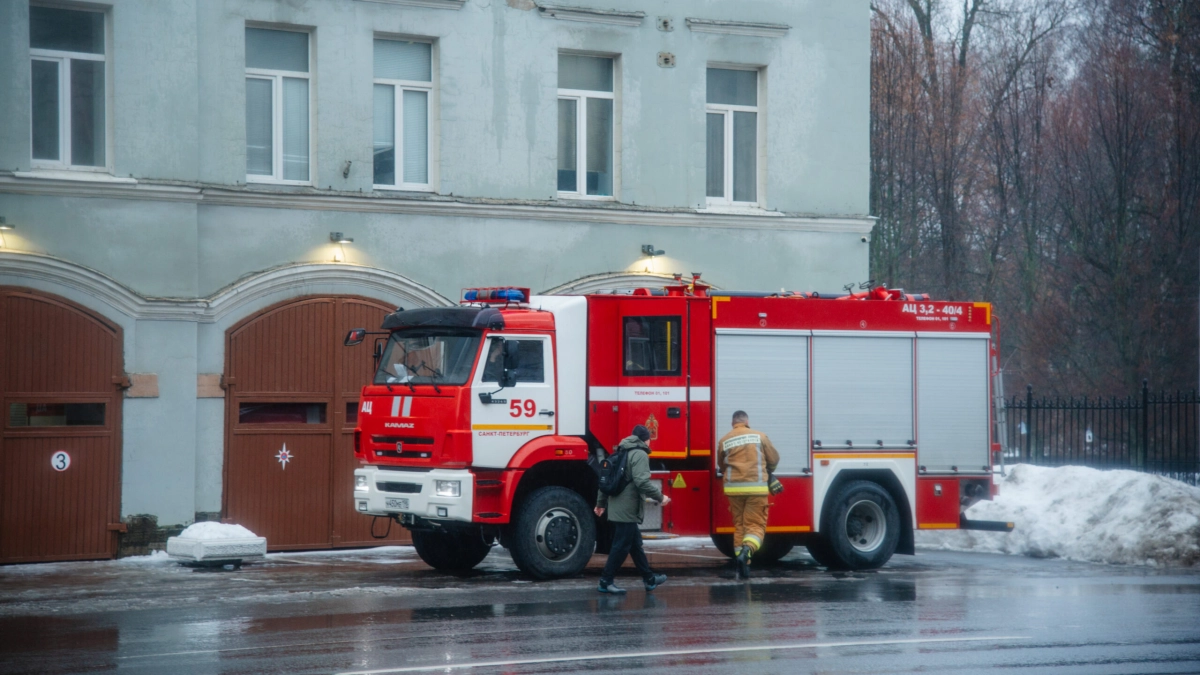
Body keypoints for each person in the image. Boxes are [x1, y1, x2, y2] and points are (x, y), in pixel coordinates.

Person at [594, 425, 671, 594]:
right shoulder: (640, 454)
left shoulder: (621, 452)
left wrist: (601, 504)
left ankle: (649, 579)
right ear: (646, 439)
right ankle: (606, 581)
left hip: (618, 508)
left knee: (635, 545)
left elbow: (605, 481)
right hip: (627, 510)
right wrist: (660, 497)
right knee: (621, 546)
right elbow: (642, 482)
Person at [717, 410, 780, 579]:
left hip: (733, 490)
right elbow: (773, 459)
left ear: (733, 423)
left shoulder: (724, 440)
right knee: (755, 527)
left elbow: (722, 466)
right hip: (756, 490)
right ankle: (747, 551)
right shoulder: (760, 436)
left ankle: (743, 565)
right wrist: (769, 472)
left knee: (740, 526)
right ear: (747, 421)